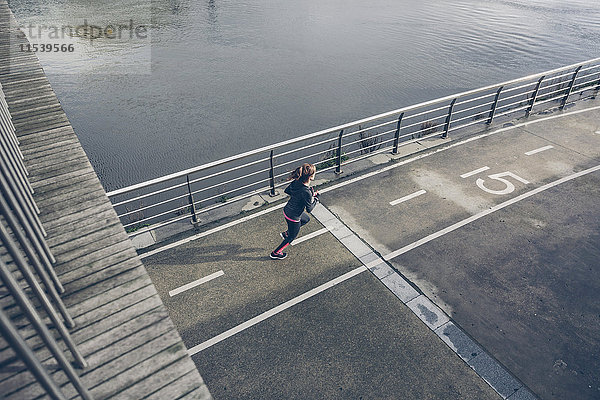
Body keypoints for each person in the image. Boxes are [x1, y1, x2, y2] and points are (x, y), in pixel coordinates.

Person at [270, 163, 319, 260]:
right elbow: (309, 209)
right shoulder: (306, 192)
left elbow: (287, 191)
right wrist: (316, 199)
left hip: (287, 210)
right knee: (292, 237)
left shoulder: (297, 182)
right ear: (311, 176)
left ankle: (287, 233)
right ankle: (275, 253)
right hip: (293, 217)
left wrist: (302, 197)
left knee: (306, 219)